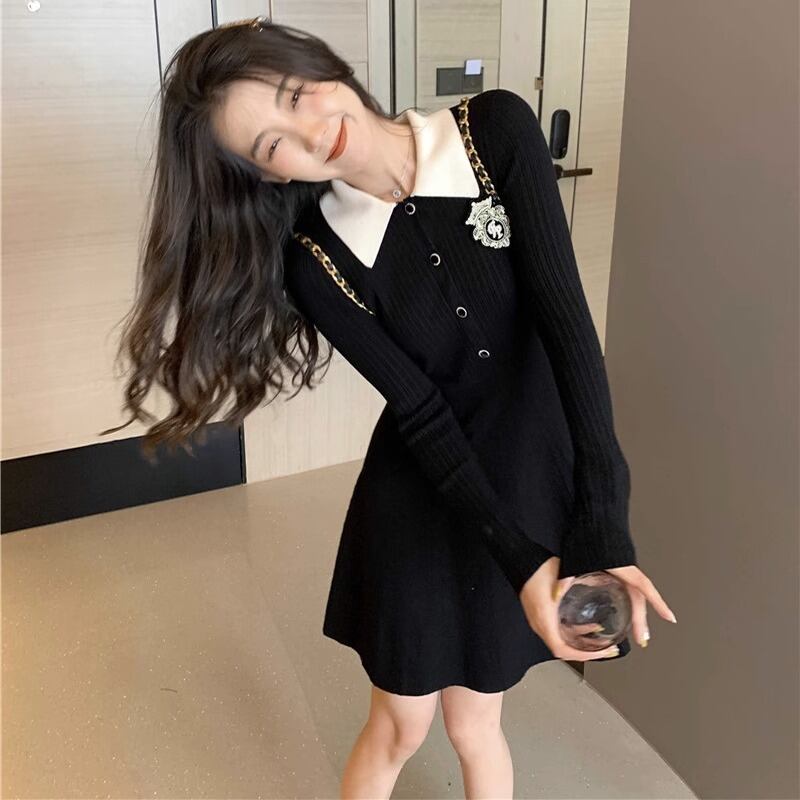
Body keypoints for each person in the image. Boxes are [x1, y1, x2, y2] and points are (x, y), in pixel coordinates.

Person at [104, 17, 677, 799]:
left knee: (477, 724)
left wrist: (602, 520)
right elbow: (421, 411)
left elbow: (568, 330)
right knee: (401, 723)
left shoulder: (496, 131)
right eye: (273, 145)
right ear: (267, 176)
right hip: (422, 488)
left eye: (295, 95)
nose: (313, 133)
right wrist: (520, 563)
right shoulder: (315, 259)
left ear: (321, 63)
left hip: (522, 474)